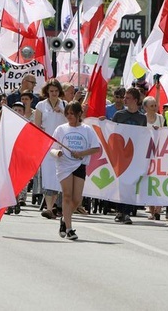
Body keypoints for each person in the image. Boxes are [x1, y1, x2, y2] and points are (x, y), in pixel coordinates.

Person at [51, 101, 101, 241]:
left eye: (72, 113)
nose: (69, 116)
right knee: (67, 196)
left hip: (79, 165)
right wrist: (57, 153)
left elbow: (96, 148)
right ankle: (69, 229)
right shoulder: (61, 129)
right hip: (64, 165)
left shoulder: (87, 129)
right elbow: (53, 148)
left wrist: (82, 153)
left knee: (77, 199)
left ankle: (64, 220)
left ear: (79, 114)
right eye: (67, 113)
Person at [112, 87, 147, 225]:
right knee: (121, 183)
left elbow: (144, 135)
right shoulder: (119, 115)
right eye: (124, 97)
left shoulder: (141, 118)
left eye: (127, 98)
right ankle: (119, 210)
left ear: (136, 100)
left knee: (131, 184)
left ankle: (126, 212)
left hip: (134, 155)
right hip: (121, 154)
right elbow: (111, 132)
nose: (124, 99)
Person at [34, 79, 67, 219]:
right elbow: (37, 126)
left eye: (56, 91)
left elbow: (72, 123)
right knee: (48, 176)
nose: (54, 94)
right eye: (51, 91)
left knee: (59, 176)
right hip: (47, 145)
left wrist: (63, 112)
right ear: (47, 92)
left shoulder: (65, 105)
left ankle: (56, 207)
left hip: (61, 145)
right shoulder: (41, 105)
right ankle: (49, 208)